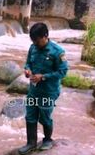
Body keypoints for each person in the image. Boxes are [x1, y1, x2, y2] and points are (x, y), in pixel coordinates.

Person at [18, 23, 68, 154]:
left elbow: (63, 72)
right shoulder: (33, 48)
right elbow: (28, 62)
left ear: (45, 36)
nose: (35, 43)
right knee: (30, 116)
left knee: (45, 117)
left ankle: (47, 140)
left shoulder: (57, 52)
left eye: (37, 40)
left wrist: (43, 77)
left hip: (48, 91)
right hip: (34, 91)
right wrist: (27, 70)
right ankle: (31, 143)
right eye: (33, 40)